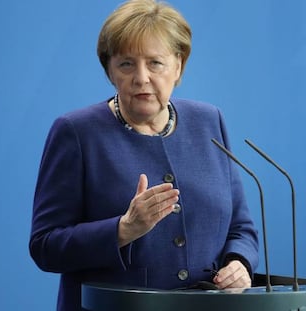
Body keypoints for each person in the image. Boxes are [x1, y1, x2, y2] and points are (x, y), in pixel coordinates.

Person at [29, 0, 259, 310]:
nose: (141, 77)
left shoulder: (209, 121)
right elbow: (45, 246)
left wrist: (239, 263)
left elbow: (240, 227)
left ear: (178, 65)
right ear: (110, 69)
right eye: (126, 64)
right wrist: (123, 229)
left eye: (155, 63)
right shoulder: (76, 132)